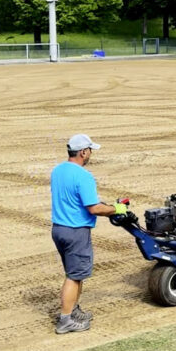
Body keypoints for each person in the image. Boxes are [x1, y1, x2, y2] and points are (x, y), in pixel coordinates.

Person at [50, 134, 129, 334]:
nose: (91, 154)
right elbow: (93, 208)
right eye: (90, 150)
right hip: (76, 231)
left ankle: (74, 310)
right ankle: (66, 320)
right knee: (74, 276)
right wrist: (117, 209)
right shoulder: (83, 176)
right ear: (83, 152)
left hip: (59, 228)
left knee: (76, 273)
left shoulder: (58, 171)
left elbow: (75, 199)